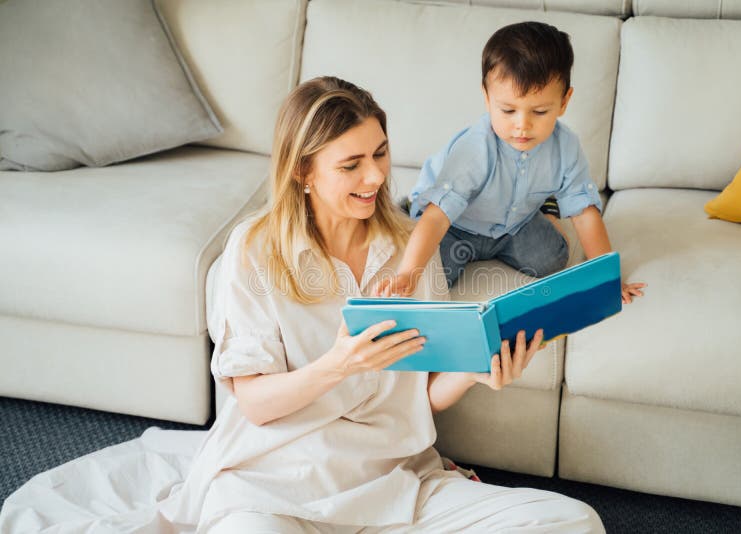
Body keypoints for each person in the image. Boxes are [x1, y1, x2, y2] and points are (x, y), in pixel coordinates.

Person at [0, 76, 604, 533]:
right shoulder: (255, 251)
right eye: (352, 164)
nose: (375, 178)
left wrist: (476, 371)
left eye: (381, 154)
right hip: (272, 480)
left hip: (392, 479)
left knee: (574, 523)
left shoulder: (405, 249)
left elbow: (419, 397)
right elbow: (255, 403)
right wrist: (337, 365)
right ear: (303, 172)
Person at [376, 22, 646, 304]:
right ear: (487, 98)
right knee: (435, 275)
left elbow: (585, 213)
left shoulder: (566, 147)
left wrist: (608, 279)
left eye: (540, 111)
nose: (522, 126)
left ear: (564, 102)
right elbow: (438, 217)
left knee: (552, 259)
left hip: (513, 224)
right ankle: (409, 209)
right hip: (455, 224)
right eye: (507, 110)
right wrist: (409, 272)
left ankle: (546, 208)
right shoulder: (476, 148)